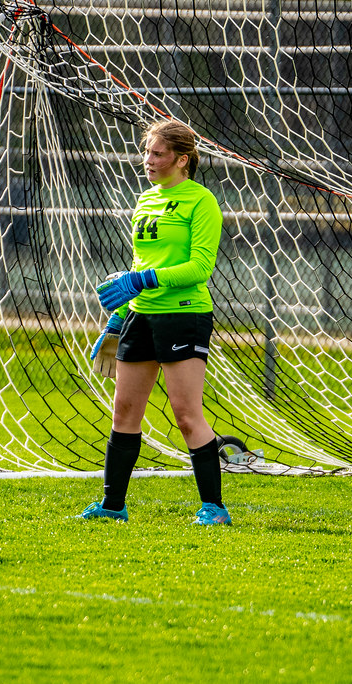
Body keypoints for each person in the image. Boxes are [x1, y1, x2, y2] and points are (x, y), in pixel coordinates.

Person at [78, 119, 231, 526]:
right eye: (146, 151)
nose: (147, 160)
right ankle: (113, 506)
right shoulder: (145, 200)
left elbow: (199, 267)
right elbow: (139, 266)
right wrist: (117, 319)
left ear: (182, 160)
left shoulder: (202, 202)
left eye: (157, 153)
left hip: (183, 315)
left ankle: (214, 509)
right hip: (140, 317)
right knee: (124, 411)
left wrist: (142, 280)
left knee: (185, 414)